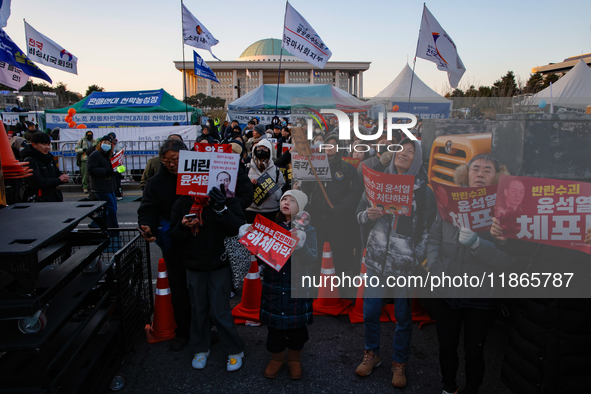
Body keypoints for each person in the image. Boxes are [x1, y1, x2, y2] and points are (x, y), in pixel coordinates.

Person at [426, 154, 514, 394]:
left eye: (488, 169)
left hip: (481, 295)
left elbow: (511, 260)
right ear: (467, 173)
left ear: (497, 175)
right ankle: (448, 387)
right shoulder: (449, 201)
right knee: (446, 346)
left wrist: (478, 244)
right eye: (475, 169)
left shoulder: (505, 208)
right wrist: (434, 266)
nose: (480, 174)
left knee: (474, 350)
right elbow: (434, 236)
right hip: (446, 289)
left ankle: (472, 389)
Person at [355, 137, 436, 388]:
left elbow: (429, 229)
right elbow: (358, 215)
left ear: (418, 158)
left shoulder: (423, 191)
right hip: (377, 260)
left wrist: (415, 256)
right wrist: (367, 215)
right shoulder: (377, 180)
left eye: (411, 151)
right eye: (400, 149)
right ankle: (372, 353)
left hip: (405, 264)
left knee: (403, 316)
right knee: (370, 311)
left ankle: (400, 362)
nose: (404, 154)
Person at [490, 220, 591, 393]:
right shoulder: (547, 200)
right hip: (535, 315)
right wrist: (506, 238)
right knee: (530, 376)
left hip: (577, 324)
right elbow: (527, 248)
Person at [239, 190, 318, 380]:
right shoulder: (270, 226)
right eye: (284, 199)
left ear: (301, 208)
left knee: (297, 329)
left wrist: (300, 244)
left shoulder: (309, 230)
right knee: (274, 328)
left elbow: (312, 258)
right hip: (274, 285)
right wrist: (251, 236)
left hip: (298, 286)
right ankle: (276, 359)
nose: (286, 202)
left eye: (292, 200)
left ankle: (294, 360)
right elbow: (260, 256)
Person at [170, 184, 247, 372]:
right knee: (198, 309)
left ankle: (235, 350)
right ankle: (200, 347)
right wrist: (183, 226)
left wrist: (222, 208)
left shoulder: (226, 197)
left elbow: (239, 228)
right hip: (193, 265)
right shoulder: (183, 201)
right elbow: (173, 236)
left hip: (219, 265)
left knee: (219, 310)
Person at [138, 139, 192, 350]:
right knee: (179, 288)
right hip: (173, 242)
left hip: (199, 241)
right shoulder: (155, 183)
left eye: (176, 159)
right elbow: (148, 208)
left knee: (202, 289)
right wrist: (146, 226)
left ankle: (206, 329)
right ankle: (183, 331)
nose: (172, 164)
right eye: (167, 160)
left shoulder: (199, 176)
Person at [300, 134, 363, 276]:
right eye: (328, 143)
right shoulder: (313, 165)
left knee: (339, 251)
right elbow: (306, 189)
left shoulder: (347, 168)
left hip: (339, 218)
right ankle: (317, 278)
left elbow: (355, 193)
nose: (330, 146)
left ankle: (338, 281)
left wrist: (340, 208)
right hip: (317, 218)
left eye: (334, 143)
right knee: (318, 248)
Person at [20, 132, 69, 202]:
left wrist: (63, 177)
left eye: (48, 144)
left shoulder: (49, 158)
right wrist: (59, 180)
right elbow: (37, 182)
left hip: (52, 197)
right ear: (34, 144)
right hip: (37, 199)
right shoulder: (29, 161)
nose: (47, 147)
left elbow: (56, 173)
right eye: (43, 144)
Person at [245, 139, 285, 223]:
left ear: (269, 152)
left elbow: (281, 186)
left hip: (271, 211)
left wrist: (275, 194)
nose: (261, 150)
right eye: (259, 148)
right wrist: (249, 184)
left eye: (265, 148)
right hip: (251, 210)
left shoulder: (276, 171)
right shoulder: (247, 168)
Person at [87, 135, 119, 229]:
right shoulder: (95, 155)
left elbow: (111, 169)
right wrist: (106, 172)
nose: (107, 145)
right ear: (100, 143)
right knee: (111, 209)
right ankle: (113, 231)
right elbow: (91, 170)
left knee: (112, 208)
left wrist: (118, 169)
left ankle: (95, 224)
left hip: (109, 186)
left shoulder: (108, 155)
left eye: (109, 143)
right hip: (100, 187)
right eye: (105, 142)